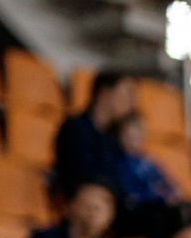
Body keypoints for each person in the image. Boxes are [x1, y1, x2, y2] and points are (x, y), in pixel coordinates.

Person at [50, 72, 136, 201]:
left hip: (109, 206)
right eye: (126, 94)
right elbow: (80, 178)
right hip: (84, 204)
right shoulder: (75, 128)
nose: (131, 102)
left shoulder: (113, 139)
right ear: (104, 93)